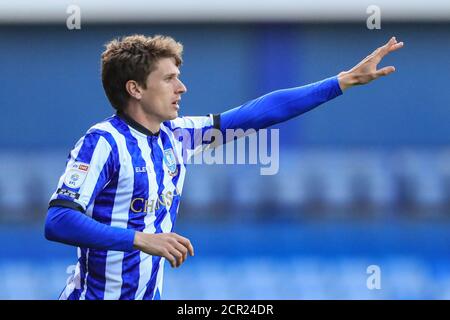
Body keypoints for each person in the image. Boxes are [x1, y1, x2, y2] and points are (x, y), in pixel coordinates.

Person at [44, 34, 403, 300]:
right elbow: (57, 221)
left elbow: (259, 112)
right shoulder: (102, 142)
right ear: (135, 88)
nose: (181, 88)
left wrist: (343, 81)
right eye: (168, 79)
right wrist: (140, 239)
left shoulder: (177, 135)